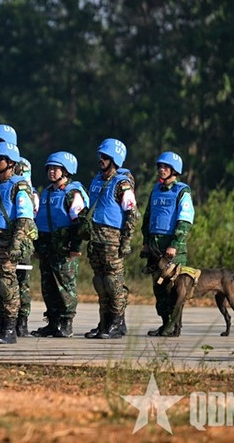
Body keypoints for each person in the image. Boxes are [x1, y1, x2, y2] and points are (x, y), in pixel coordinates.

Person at [0, 142, 37, 344]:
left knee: (7, 284)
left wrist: (16, 244)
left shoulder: (19, 186)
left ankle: (10, 328)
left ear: (11, 162)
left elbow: (24, 218)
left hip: (7, 240)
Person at [85, 139, 139, 340]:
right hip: (95, 238)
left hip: (111, 240)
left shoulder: (122, 183)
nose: (101, 160)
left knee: (113, 282)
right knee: (100, 282)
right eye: (101, 156)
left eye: (105, 157)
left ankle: (116, 323)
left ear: (115, 159)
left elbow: (132, 213)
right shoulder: (97, 180)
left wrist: (126, 241)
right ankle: (104, 322)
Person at [31, 152, 89, 338]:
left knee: (65, 286)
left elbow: (79, 222)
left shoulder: (72, 193)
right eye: (50, 168)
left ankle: (66, 323)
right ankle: (53, 322)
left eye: (56, 168)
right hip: (47, 247)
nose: (51, 172)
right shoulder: (47, 192)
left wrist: (75, 247)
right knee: (48, 287)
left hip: (64, 248)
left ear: (66, 171)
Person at [141, 151, 195, 337]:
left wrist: (175, 244)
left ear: (174, 170)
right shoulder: (155, 190)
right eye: (160, 167)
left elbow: (185, 221)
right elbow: (148, 217)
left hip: (173, 250)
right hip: (155, 249)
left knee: (175, 290)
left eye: (165, 167)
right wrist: (145, 242)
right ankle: (166, 324)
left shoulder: (182, 191)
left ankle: (173, 327)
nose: (161, 170)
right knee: (159, 289)